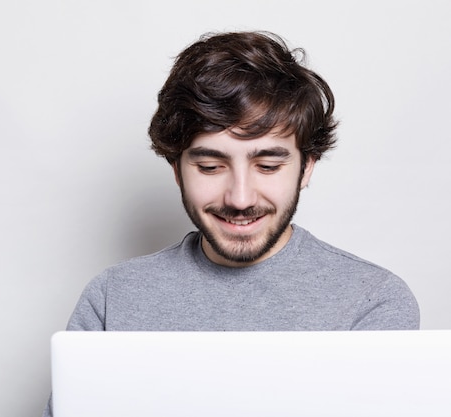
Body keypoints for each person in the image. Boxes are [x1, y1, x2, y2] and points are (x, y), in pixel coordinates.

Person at [42, 30, 419, 416]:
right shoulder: (113, 297)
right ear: (177, 170)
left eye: (268, 166)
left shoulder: (372, 301)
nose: (240, 198)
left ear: (306, 167)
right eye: (210, 166)